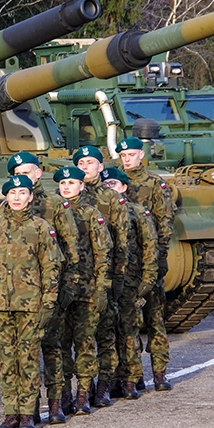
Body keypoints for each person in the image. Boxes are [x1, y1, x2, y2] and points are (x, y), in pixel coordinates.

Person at [0, 175, 62, 428]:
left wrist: (48, 302)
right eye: (12, 193)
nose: (16, 197)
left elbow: (51, 267)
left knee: (28, 360)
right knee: (7, 361)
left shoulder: (40, 227)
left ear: (31, 196)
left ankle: (27, 414)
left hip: (30, 305)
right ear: (6, 197)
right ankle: (10, 413)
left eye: (22, 192)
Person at [6, 152, 80, 424]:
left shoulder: (55, 204)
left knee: (54, 348)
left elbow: (72, 249)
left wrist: (67, 288)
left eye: (28, 171)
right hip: (18, 295)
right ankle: (29, 408)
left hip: (50, 291)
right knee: (23, 354)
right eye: (17, 173)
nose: (23, 176)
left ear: (38, 173)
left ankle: (57, 401)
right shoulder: (6, 208)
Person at [115, 137, 173, 391]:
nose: (127, 159)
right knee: (127, 322)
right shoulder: (113, 180)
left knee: (154, 318)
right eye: (123, 155)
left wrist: (160, 257)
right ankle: (132, 373)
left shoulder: (154, 183)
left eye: (131, 154)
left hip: (149, 259)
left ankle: (159, 372)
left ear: (141, 155)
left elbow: (164, 220)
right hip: (124, 264)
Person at [73, 146, 129, 403]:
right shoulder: (65, 196)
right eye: (81, 162)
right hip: (74, 280)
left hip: (102, 277)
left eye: (90, 162)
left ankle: (105, 383)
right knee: (79, 338)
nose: (85, 167)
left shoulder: (110, 199)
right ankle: (84, 386)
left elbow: (120, 242)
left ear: (100, 166)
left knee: (105, 333)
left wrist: (115, 280)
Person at [55, 165, 112, 415]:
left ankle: (84, 393)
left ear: (82, 186)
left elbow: (102, 254)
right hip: (60, 288)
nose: (66, 187)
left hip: (86, 288)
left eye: (72, 183)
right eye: (63, 184)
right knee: (61, 343)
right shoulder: (54, 211)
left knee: (85, 342)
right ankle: (65, 394)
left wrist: (101, 289)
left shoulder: (91, 214)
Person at [101, 167, 157, 399]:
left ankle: (132, 378)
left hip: (129, 278)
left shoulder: (137, 212)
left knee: (128, 329)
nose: (108, 188)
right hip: (107, 278)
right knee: (107, 331)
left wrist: (147, 279)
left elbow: (149, 246)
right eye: (105, 185)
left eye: (113, 184)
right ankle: (112, 377)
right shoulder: (99, 211)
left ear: (124, 187)